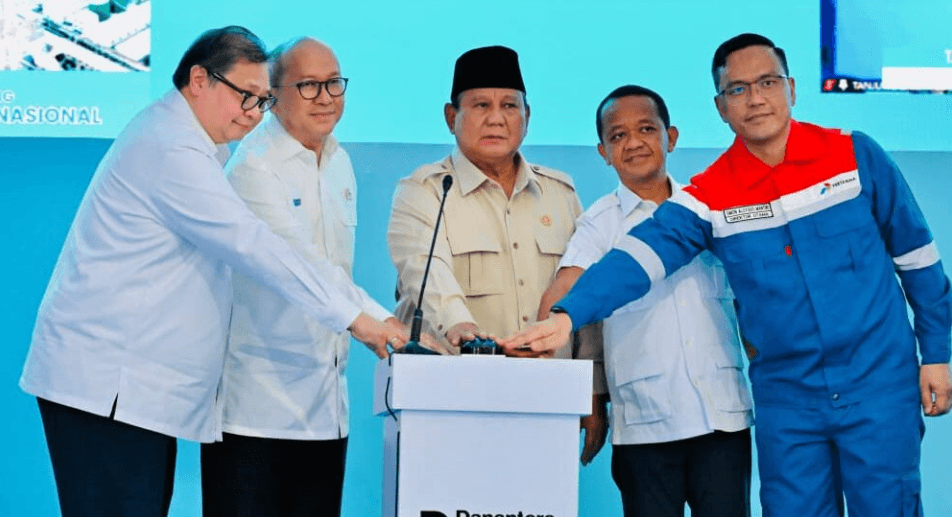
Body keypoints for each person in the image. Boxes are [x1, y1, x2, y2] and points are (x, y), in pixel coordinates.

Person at [501, 33, 952, 517]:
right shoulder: (711, 196)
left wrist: (938, 353)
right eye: (737, 90)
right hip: (789, 402)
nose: (755, 98)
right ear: (720, 107)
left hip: (877, 385)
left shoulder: (855, 157)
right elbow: (639, 259)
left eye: (767, 82)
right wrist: (568, 317)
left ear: (792, 88)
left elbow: (918, 259)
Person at [19, 26, 407, 517]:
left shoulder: (190, 143)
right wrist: (359, 320)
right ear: (198, 79)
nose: (251, 113)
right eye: (244, 96)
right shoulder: (172, 150)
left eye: (261, 101)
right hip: (107, 388)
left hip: (129, 391)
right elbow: (255, 245)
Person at [199, 36, 419, 517]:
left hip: (325, 411)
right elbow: (297, 267)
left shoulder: (339, 162)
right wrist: (370, 325)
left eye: (334, 83)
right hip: (255, 411)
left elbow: (337, 274)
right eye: (308, 86)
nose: (326, 97)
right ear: (273, 95)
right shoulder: (253, 169)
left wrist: (393, 326)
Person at [537, 85, 753, 516]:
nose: (633, 143)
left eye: (646, 129)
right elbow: (567, 286)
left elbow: (749, 304)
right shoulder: (600, 223)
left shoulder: (711, 208)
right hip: (645, 428)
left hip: (722, 417)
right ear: (603, 151)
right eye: (617, 136)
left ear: (670, 137)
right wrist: (543, 329)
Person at [387, 45, 608, 464]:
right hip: (450, 402)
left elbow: (583, 297)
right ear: (452, 117)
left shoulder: (560, 195)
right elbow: (425, 271)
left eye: (509, 105)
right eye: (480, 105)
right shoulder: (424, 191)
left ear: (527, 116)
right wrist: (462, 325)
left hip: (548, 402)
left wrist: (594, 392)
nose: (496, 117)